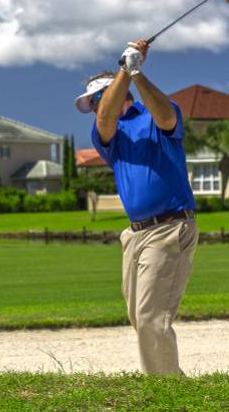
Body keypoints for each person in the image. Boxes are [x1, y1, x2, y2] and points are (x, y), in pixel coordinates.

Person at [74, 39, 198, 375]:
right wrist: (124, 70)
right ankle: (168, 382)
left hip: (171, 226)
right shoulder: (108, 134)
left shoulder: (155, 114)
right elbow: (105, 120)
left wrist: (136, 73)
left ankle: (166, 389)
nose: (94, 109)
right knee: (138, 314)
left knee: (150, 316)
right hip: (135, 234)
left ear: (113, 93)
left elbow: (166, 116)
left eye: (95, 100)